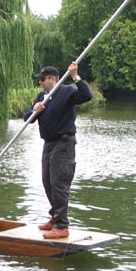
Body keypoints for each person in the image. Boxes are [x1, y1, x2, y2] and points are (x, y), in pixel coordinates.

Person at [24, 63, 92, 239]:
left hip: (64, 143)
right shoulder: (42, 96)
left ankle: (62, 226)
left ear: (53, 79)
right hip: (48, 144)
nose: (40, 83)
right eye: (40, 80)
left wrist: (75, 76)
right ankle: (55, 218)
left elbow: (87, 96)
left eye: (43, 79)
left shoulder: (67, 91)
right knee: (46, 181)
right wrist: (35, 110)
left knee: (58, 183)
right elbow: (27, 119)